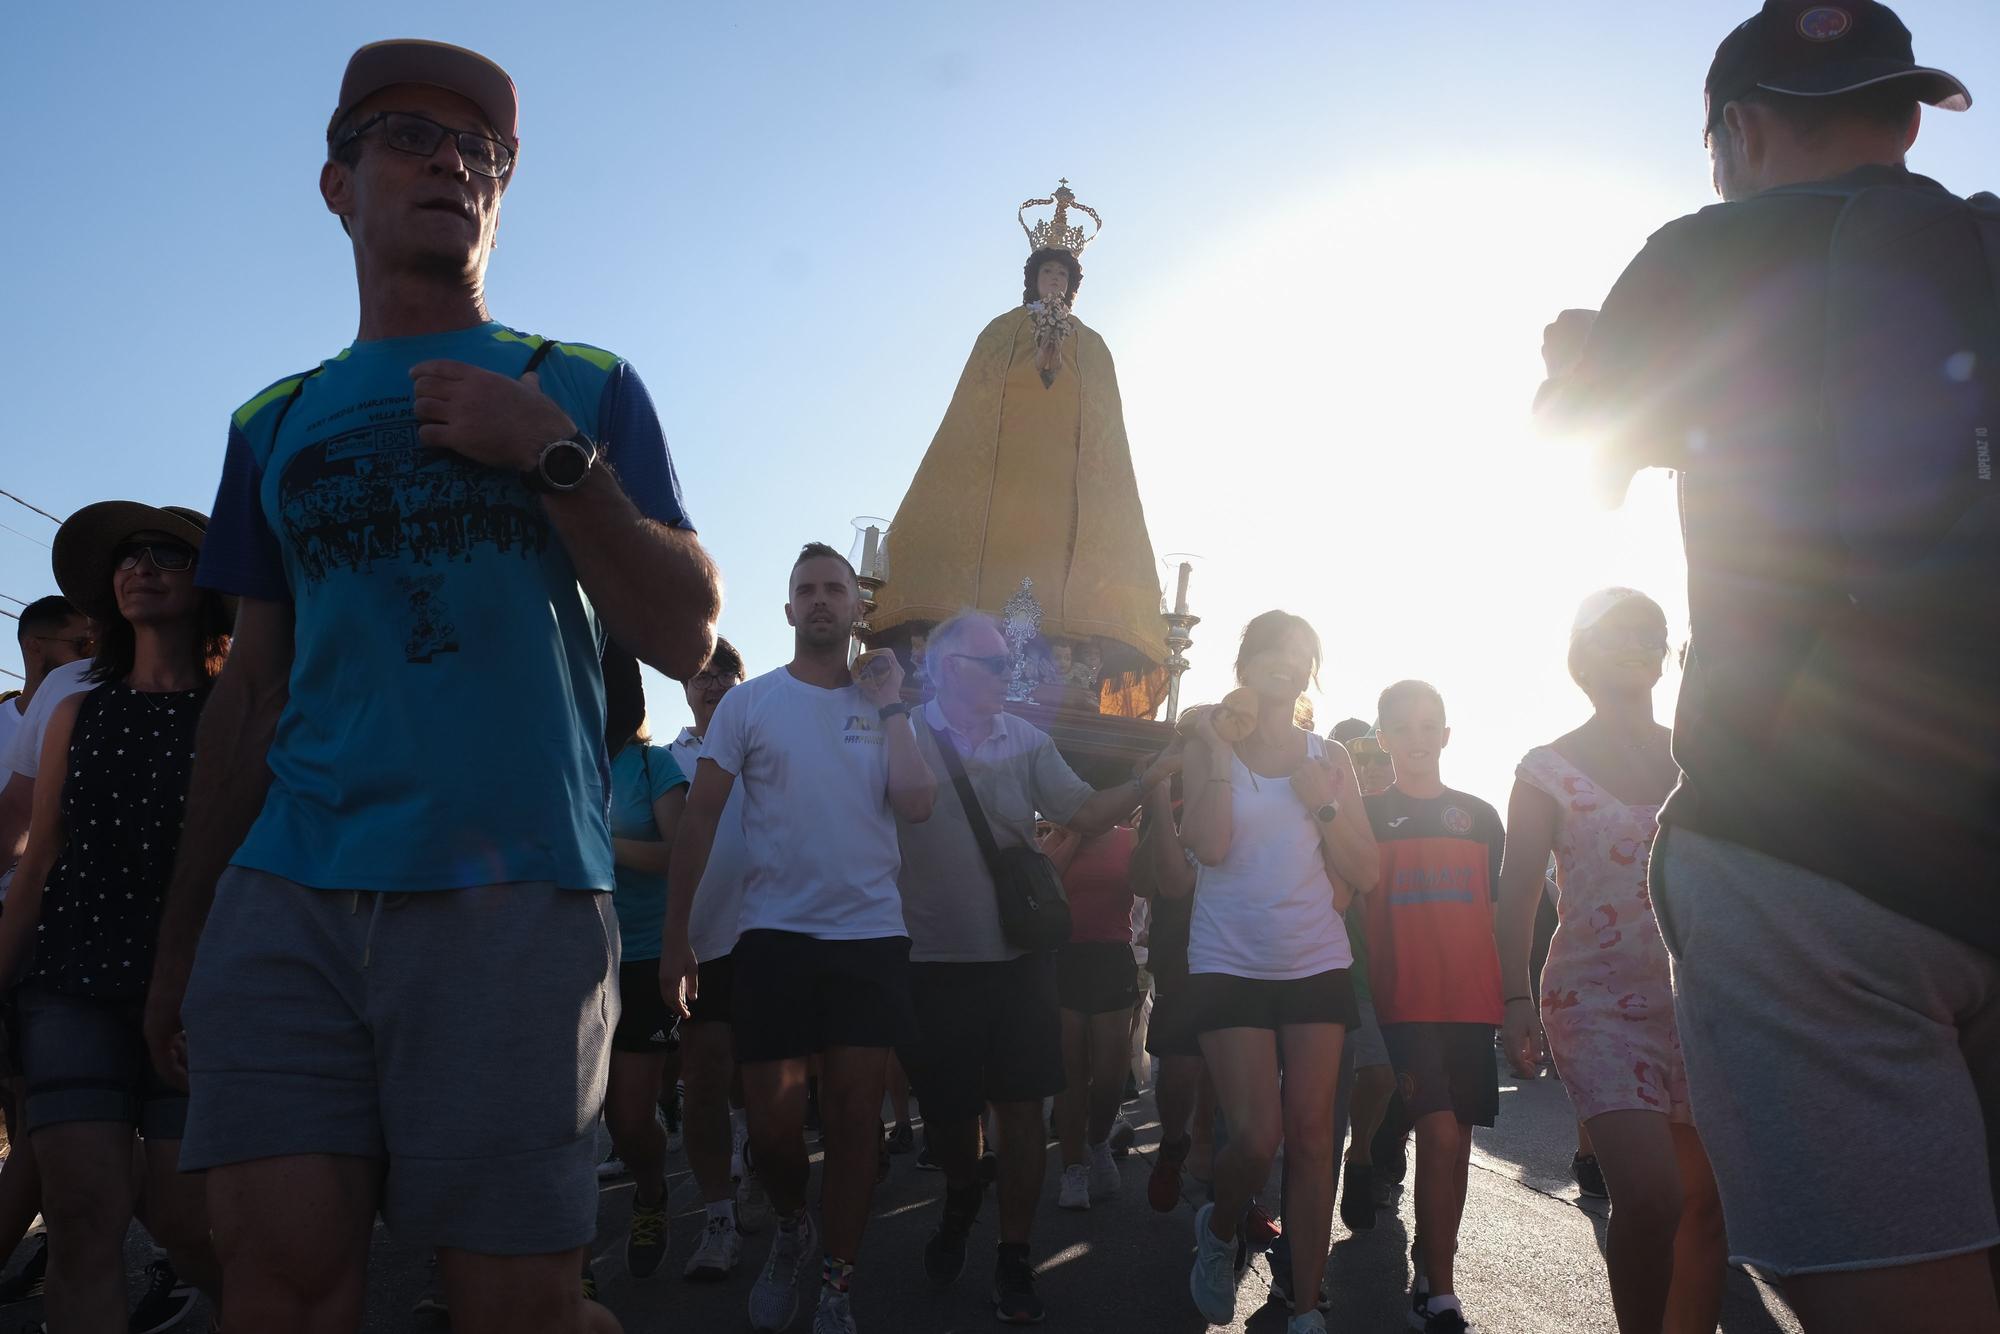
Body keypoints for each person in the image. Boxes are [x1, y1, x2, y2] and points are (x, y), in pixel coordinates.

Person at [142, 40, 719, 1334]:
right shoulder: (272, 423)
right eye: (408, 134)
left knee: (512, 1304)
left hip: (509, 890)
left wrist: (553, 459)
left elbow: (683, 630)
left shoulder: (580, 383)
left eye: (482, 151)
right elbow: (249, 696)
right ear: (337, 183)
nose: (452, 160)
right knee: (277, 1286)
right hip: (287, 891)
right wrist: (183, 937)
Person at [1536, 5, 1999, 1329]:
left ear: (1737, 132)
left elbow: (1574, 455)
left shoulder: (1707, 252)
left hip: (1806, 864)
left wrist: (1578, 359)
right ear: (1911, 116)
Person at [663, 543, 934, 1334]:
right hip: (773, 938)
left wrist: (891, 707)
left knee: (855, 1123)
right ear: (787, 610)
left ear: (856, 608)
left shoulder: (886, 707)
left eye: (834, 590)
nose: (820, 601)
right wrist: (677, 938)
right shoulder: (752, 705)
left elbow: (917, 805)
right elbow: (702, 820)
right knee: (777, 1131)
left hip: (868, 939)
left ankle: (839, 1289)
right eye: (806, 590)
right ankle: (791, 1224)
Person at [890, 609, 1177, 1323]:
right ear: (945, 668)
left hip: (1019, 961)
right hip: (931, 962)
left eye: (1005, 664)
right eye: (989, 664)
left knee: (1022, 1113)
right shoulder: (902, 733)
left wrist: (1147, 778)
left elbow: (1084, 810)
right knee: (953, 1122)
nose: (1003, 676)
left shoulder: (1027, 739)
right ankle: (962, 1194)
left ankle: (1013, 1255)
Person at [0, 502, 231, 1333]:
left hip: (199, 994)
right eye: (130, 556)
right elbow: (39, 860)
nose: (142, 566)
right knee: (82, 1224)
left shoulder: (244, 711)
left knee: (186, 1223)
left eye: (168, 554)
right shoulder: (76, 708)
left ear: (208, 583)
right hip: (69, 984)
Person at [1493, 589, 1726, 1333]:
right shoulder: (1544, 769)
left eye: (1649, 633)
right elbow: (1518, 890)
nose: (1635, 644)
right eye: (1616, 633)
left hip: (1703, 1002)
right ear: (1581, 657)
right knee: (1652, 1196)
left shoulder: (1706, 759)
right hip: (1594, 1002)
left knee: (1706, 1209)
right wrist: (1514, 1000)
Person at [1174, 612, 1377, 1334]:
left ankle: (1305, 1300)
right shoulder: (1206, 744)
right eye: (1274, 650)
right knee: (1257, 1138)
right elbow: (1212, 844)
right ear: (1246, 660)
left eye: (1302, 655)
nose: (1288, 663)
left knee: (1316, 1134)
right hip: (1230, 961)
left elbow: (1366, 868)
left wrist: (1317, 797)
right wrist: (1221, 753)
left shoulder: (1329, 757)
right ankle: (1221, 1229)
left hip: (1315, 961)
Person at [1365, 680, 1505, 1334]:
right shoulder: (1365, 817)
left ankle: (1431, 1257)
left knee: (1457, 1144)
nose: (1418, 739)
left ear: (1446, 735)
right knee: (1440, 1131)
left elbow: (1499, 915)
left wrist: (1516, 997)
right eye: (1404, 727)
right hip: (1403, 1001)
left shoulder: (1480, 817)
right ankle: (1439, 1293)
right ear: (1384, 736)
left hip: (1470, 1001)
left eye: (1430, 727)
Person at [666, 636, 773, 1281]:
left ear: (744, 682)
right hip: (697, 944)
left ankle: (758, 1157)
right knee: (703, 1080)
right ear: (683, 686)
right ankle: (717, 1220)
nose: (711, 684)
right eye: (700, 674)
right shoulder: (666, 760)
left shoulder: (766, 756)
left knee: (760, 1084)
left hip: (765, 939)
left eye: (724, 673)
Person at [598, 645, 690, 1280]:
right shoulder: (560, 761)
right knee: (571, 1127)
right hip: (573, 954)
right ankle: (572, 1265)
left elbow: (677, 855)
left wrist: (594, 843)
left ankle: (652, 1190)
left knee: (629, 1120)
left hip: (644, 954)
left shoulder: (655, 766)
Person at [1323, 720, 1399, 1233]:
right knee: (1362, 1080)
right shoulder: (1330, 813)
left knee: (1392, 1083)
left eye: (1378, 757)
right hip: (1335, 970)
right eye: (1358, 758)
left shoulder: (1408, 815)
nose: (1370, 767)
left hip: (1392, 972)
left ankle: (1368, 1153)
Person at [1046, 812, 1143, 1214]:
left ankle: (1099, 1139)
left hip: (1113, 957)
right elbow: (1046, 882)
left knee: (1109, 1075)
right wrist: (1073, 834)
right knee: (1070, 1074)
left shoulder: (1130, 838)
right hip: (1066, 957)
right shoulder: (1057, 836)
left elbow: (1145, 885)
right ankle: (1073, 1169)